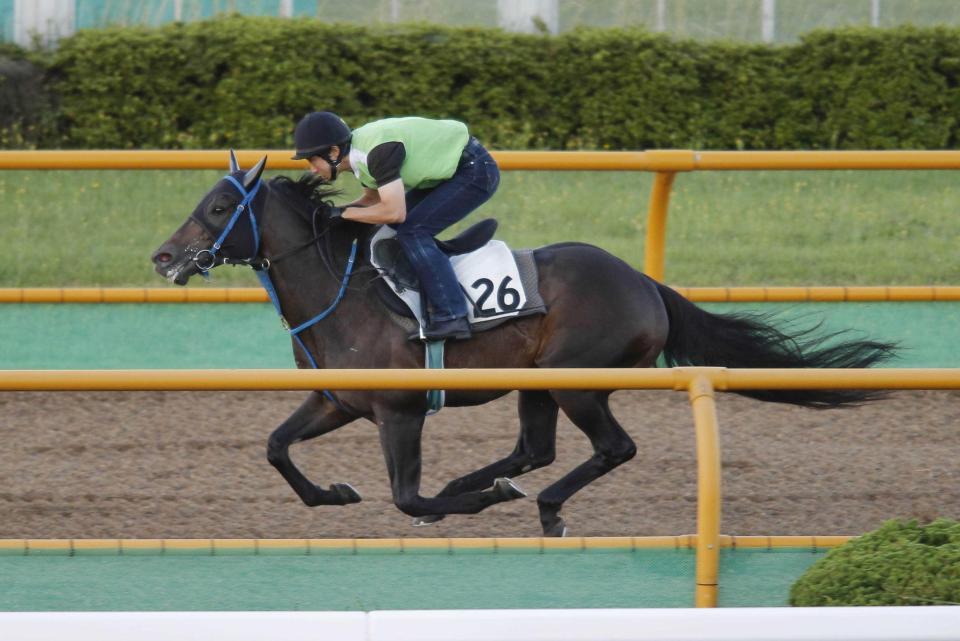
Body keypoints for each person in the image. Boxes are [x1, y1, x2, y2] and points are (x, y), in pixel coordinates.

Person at [291, 111, 500, 341]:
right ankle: (431, 266)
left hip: (475, 170)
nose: (311, 169)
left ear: (333, 151)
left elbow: (394, 212)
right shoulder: (358, 156)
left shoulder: (376, 153)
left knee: (413, 232)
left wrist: (343, 213)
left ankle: (453, 316)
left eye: (312, 160)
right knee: (396, 231)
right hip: (453, 171)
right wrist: (334, 214)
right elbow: (371, 201)